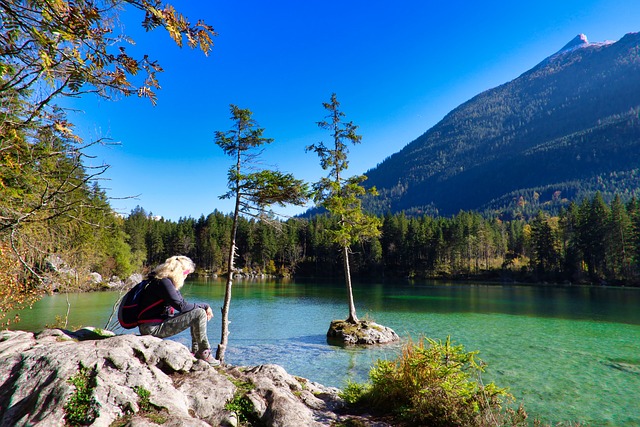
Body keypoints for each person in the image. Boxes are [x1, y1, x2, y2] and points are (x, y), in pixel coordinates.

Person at [137, 255, 219, 366]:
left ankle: (196, 352)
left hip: (150, 325)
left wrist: (203, 307)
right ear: (179, 272)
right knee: (199, 313)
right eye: (186, 274)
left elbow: (184, 307)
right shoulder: (164, 283)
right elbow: (182, 306)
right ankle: (203, 352)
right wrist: (205, 305)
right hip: (152, 329)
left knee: (196, 312)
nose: (185, 277)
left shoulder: (161, 280)